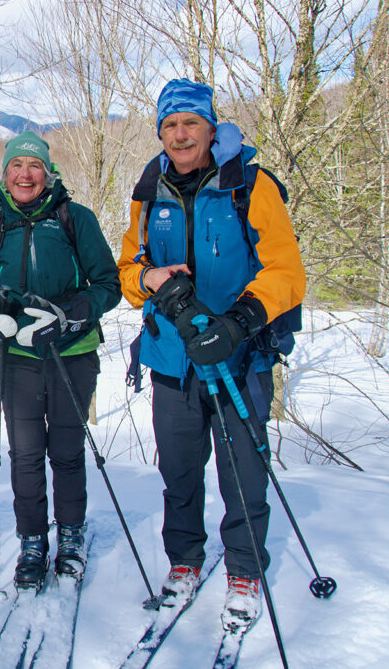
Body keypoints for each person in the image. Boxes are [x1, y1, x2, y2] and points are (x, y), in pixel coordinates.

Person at [117, 79, 305, 629]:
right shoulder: (149, 189)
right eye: (170, 125)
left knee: (242, 469)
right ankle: (184, 561)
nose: (180, 134)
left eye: (190, 124)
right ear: (160, 132)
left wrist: (243, 319)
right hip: (172, 358)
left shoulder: (249, 184)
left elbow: (287, 273)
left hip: (239, 357)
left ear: (209, 126)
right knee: (179, 470)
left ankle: (244, 568)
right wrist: (150, 277)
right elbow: (129, 272)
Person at [0, 131, 121, 589]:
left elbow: (108, 285)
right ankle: (33, 539)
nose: (25, 174)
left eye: (34, 166)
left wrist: (68, 314)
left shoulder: (76, 219)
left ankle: (70, 534)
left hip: (72, 354)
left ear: (48, 173)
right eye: (17, 166)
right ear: (6, 175)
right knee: (26, 455)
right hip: (16, 359)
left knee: (67, 452)